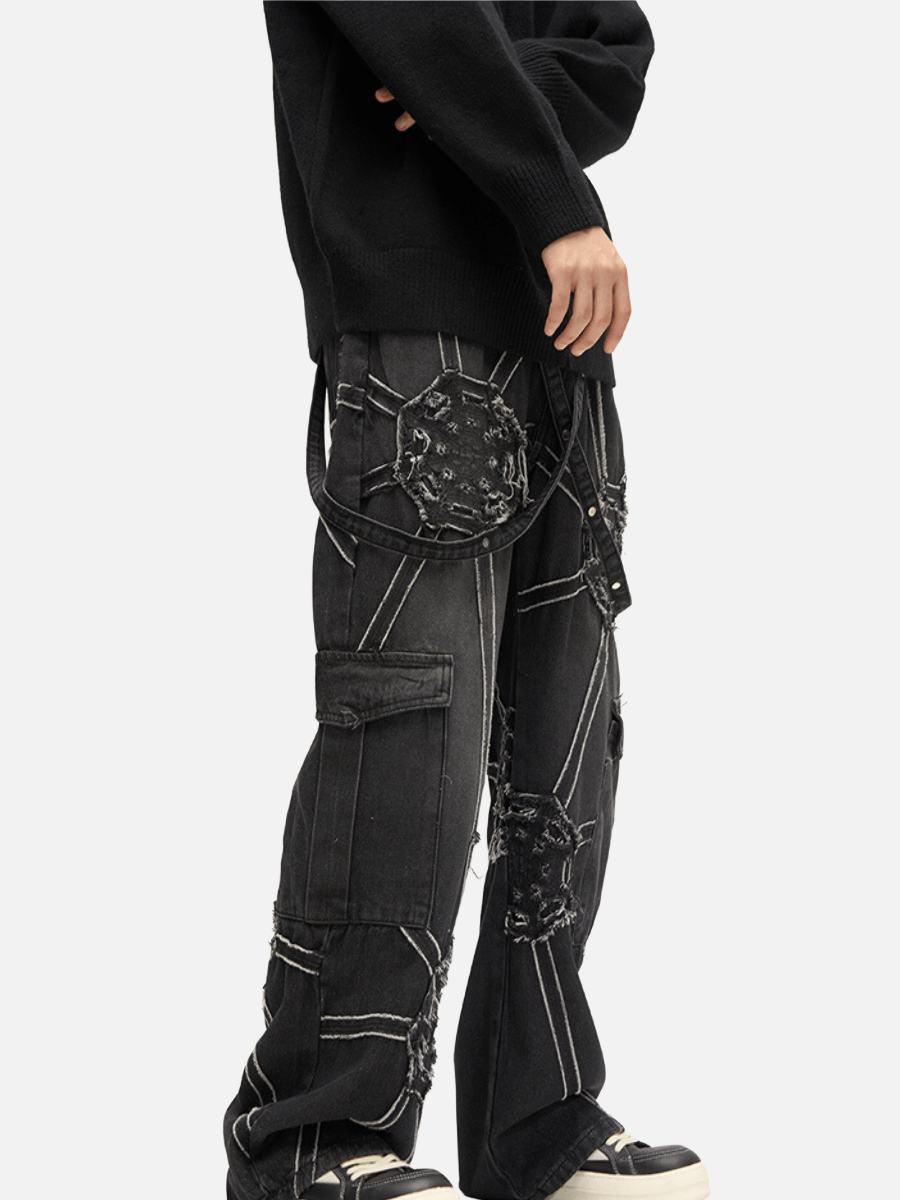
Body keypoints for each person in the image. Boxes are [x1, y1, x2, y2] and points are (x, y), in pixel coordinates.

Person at [224, 5, 710, 1200]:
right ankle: (316, 1137)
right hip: (414, 321)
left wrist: (470, 89)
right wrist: (554, 198)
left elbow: (615, 51)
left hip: (566, 348)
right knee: (408, 730)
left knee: (565, 752)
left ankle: (530, 1129)